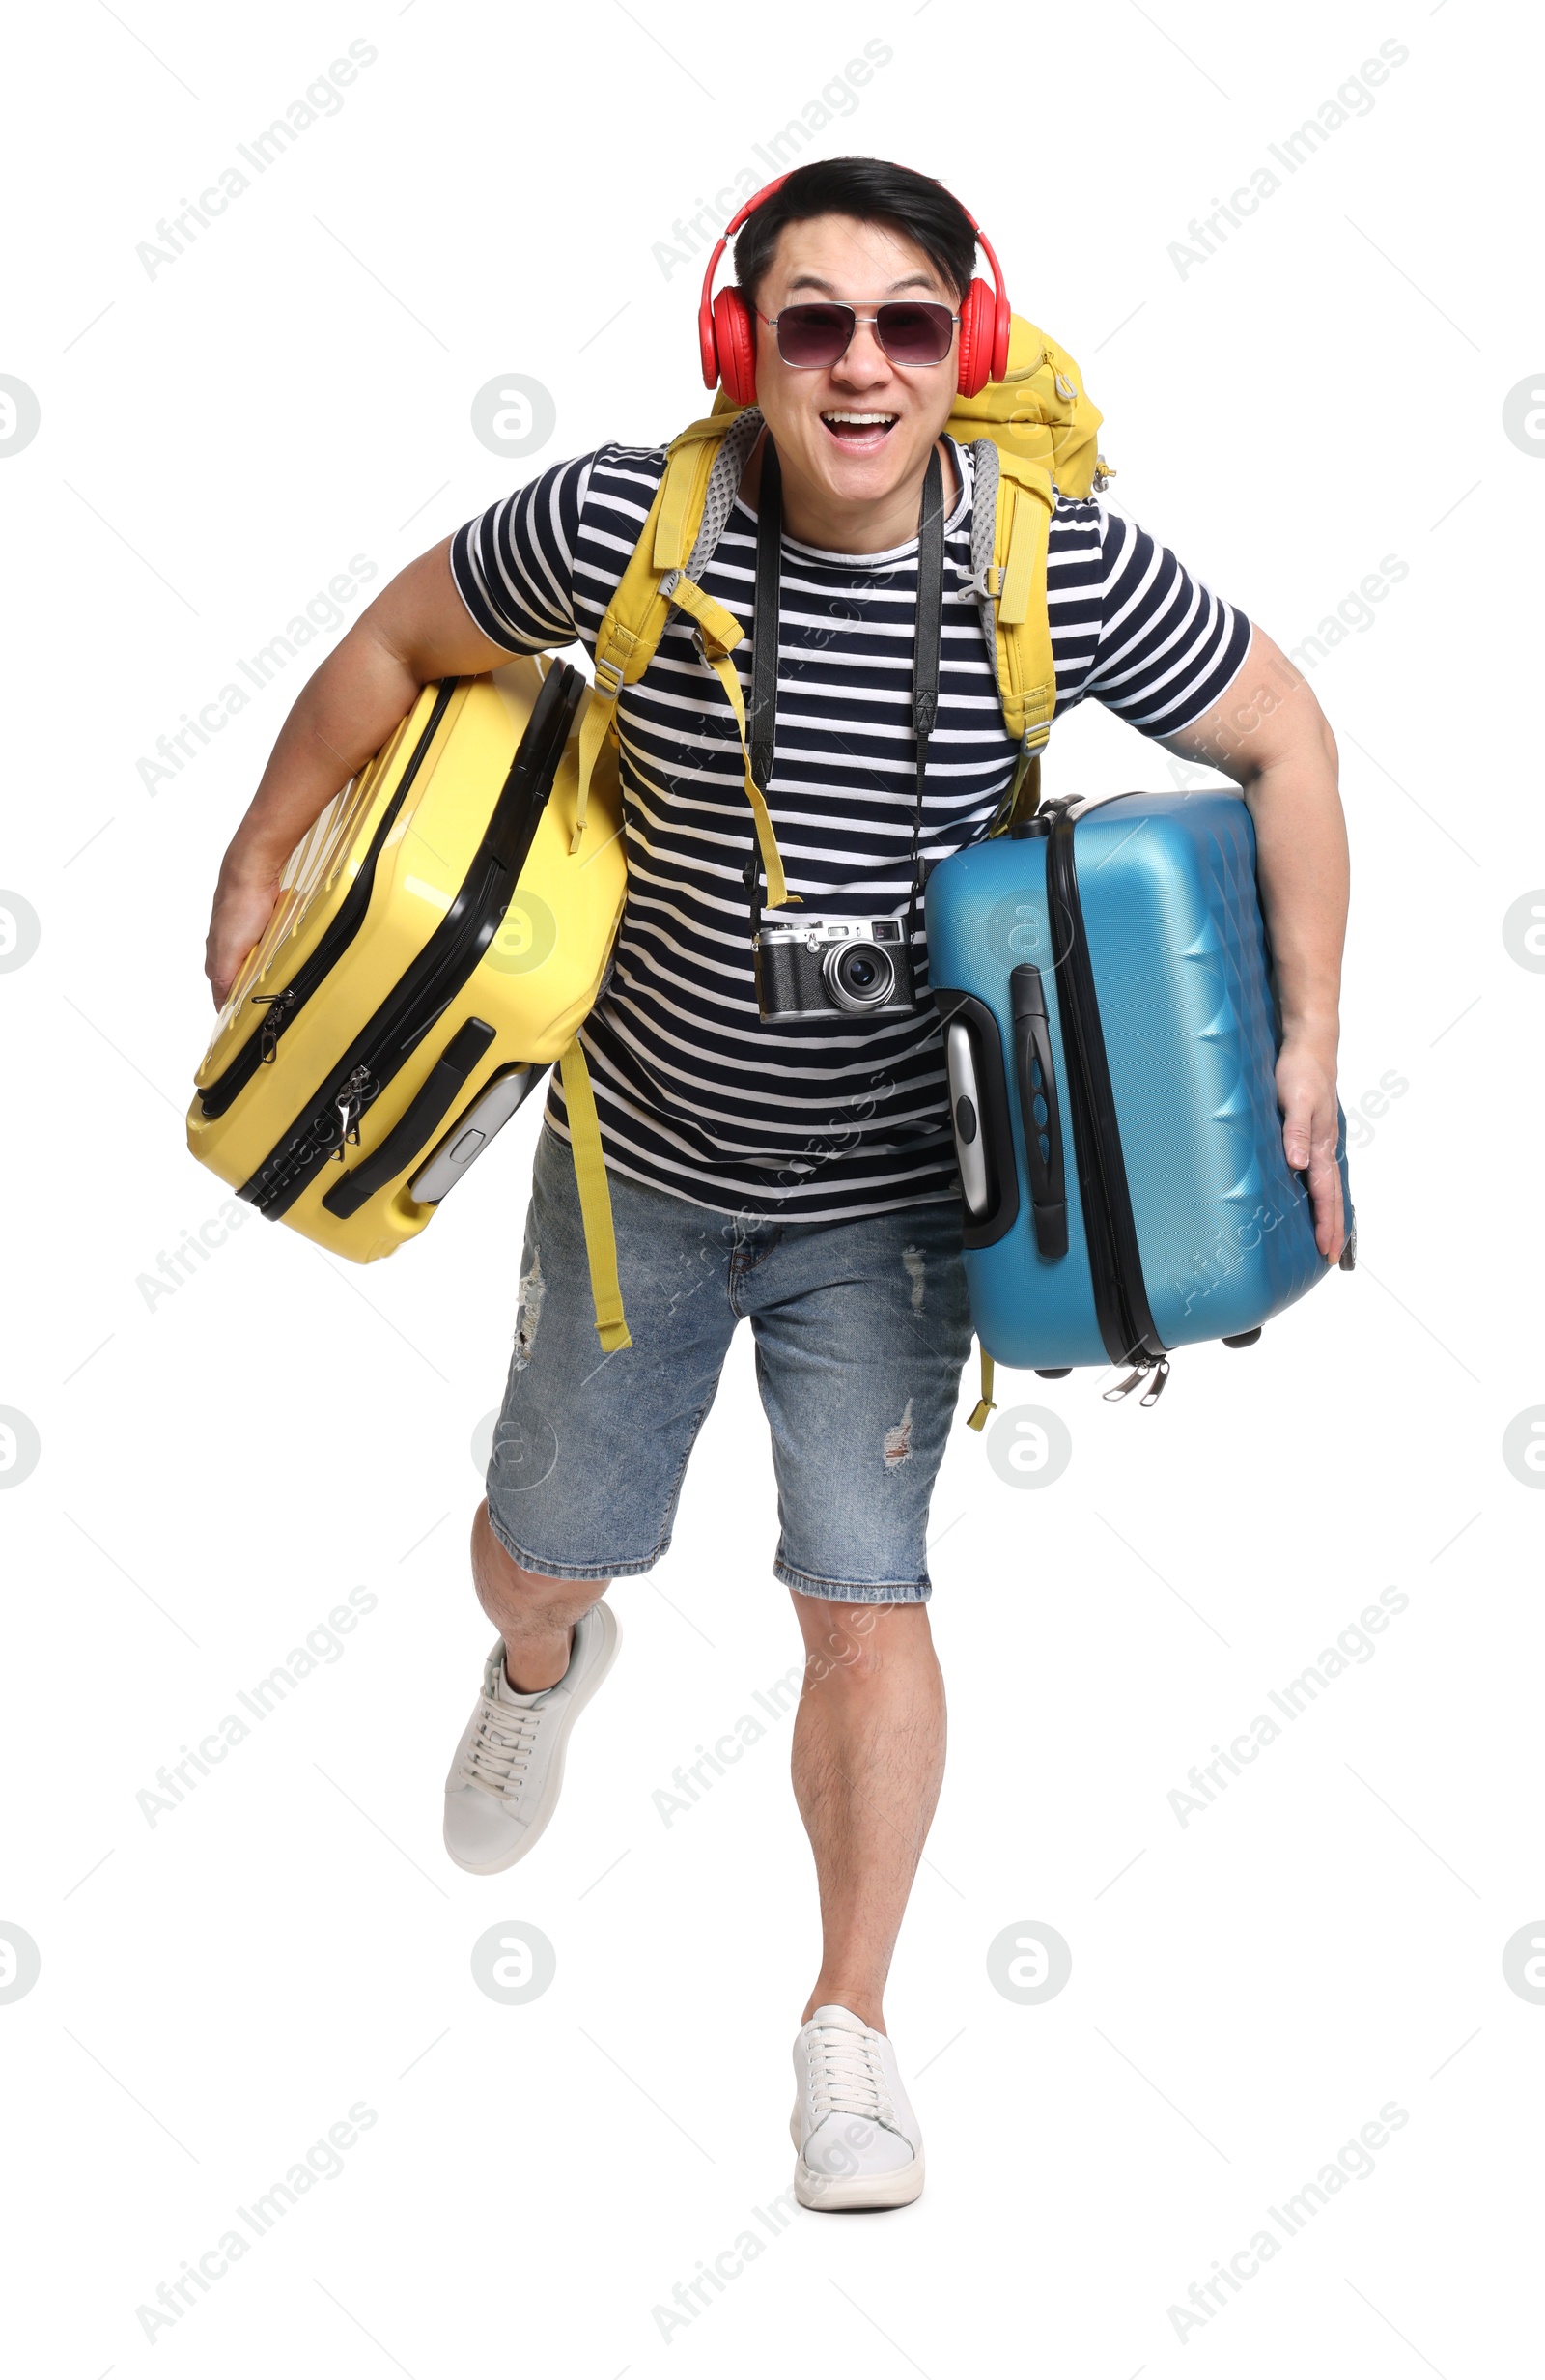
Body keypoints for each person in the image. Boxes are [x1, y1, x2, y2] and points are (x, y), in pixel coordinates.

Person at [204, 156, 1349, 2212]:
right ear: (741, 345)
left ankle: (846, 2026)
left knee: (865, 1592)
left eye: (906, 321)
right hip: (633, 1163)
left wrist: (1305, 1042)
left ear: (960, 347)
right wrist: (256, 852)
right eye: (806, 318)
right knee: (546, 1546)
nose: (857, 364)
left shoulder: (1048, 568)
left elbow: (1288, 739)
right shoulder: (625, 523)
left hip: (901, 1202)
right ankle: (540, 1663)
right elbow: (390, 637)